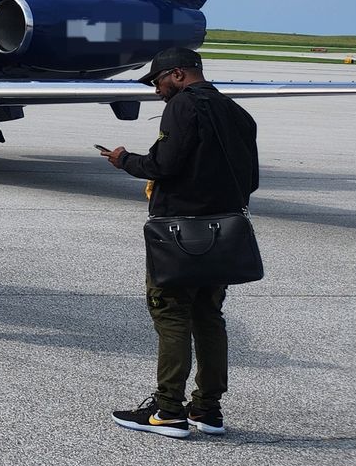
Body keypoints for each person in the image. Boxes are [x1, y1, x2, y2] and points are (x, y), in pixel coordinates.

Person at [104, 46, 259, 439]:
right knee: (209, 318)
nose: (157, 90)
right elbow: (251, 179)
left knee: (172, 316)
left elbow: (164, 164)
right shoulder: (237, 113)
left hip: (179, 236)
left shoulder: (183, 106)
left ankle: (168, 410)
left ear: (177, 74)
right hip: (222, 235)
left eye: (158, 81)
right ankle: (208, 409)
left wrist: (125, 159)